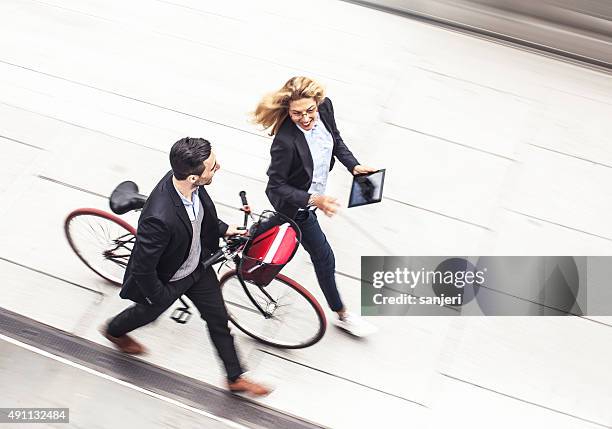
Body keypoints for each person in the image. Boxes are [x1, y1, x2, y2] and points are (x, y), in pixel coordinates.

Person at [101, 137, 270, 396]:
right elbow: (143, 268)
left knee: (218, 320)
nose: (218, 168)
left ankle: (235, 378)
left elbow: (201, 214)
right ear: (193, 177)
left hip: (198, 267)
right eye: (213, 167)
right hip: (170, 278)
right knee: (148, 313)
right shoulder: (159, 219)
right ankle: (114, 331)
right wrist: (161, 296)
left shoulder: (189, 181)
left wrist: (224, 229)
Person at [253, 76, 377, 337]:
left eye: (310, 110)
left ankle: (243, 241)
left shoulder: (326, 107)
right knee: (323, 257)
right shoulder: (285, 142)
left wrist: (353, 166)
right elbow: (275, 186)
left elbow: (337, 141)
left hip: (310, 196)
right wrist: (314, 200)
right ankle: (342, 315)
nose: (306, 118)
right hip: (296, 206)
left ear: (318, 103)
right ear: (288, 110)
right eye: (297, 113)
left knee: (267, 231)